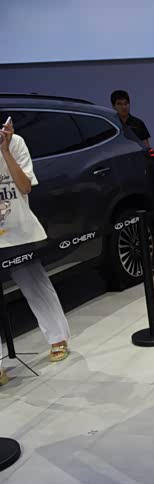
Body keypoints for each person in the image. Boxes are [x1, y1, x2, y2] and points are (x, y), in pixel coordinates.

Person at [0, 118, 70, 385]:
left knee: (34, 284)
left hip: (18, 229)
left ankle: (58, 338)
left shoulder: (15, 143)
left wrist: (5, 150)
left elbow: (25, 186)